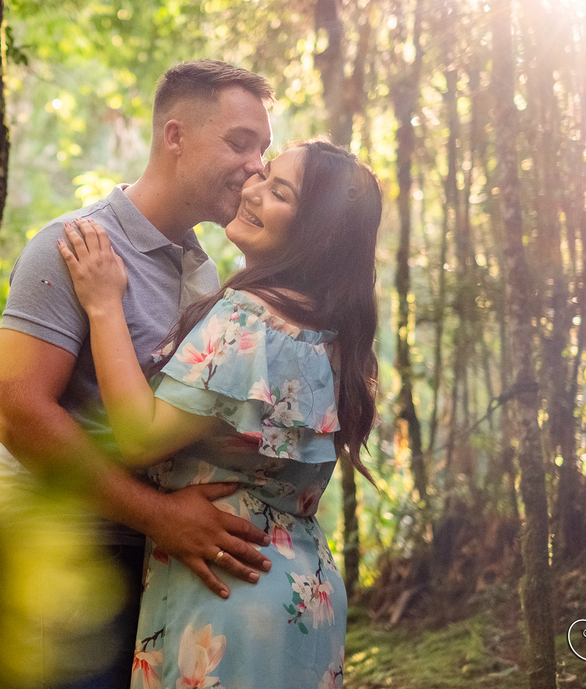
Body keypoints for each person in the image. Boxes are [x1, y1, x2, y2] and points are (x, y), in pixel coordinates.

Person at [0, 60, 281, 689]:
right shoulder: (71, 245)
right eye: (238, 142)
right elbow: (16, 412)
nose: (257, 165)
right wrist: (157, 514)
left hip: (148, 563)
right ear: (174, 136)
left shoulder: (206, 272)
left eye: (264, 149)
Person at [57, 139, 382, 689]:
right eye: (264, 175)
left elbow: (138, 438)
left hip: (226, 594)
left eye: (279, 191)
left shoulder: (250, 320)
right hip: (303, 594)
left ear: (317, 232)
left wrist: (103, 303)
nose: (251, 189)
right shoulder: (331, 332)